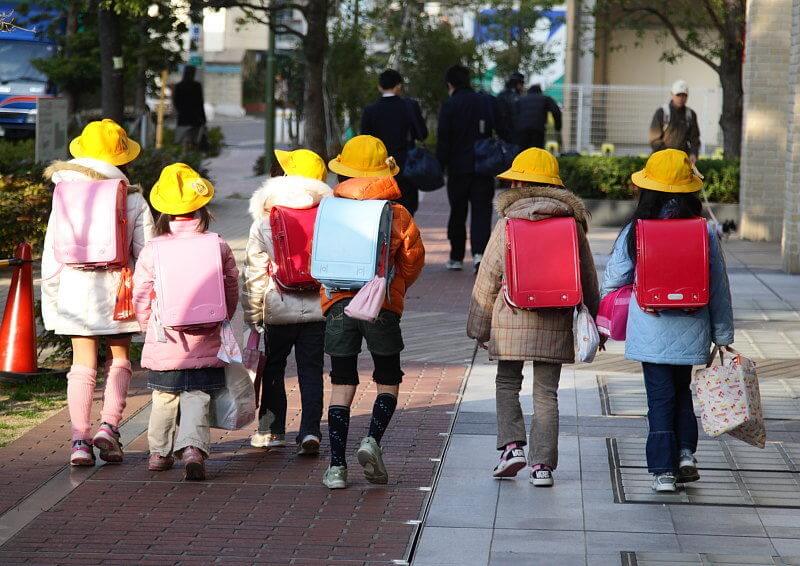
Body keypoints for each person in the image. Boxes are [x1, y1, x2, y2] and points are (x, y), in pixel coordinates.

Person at [601, 149, 734, 493]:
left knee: (660, 397)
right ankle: (686, 453)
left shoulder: (637, 230)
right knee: (682, 391)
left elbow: (615, 277)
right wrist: (722, 333)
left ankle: (663, 470)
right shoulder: (703, 231)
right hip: (693, 327)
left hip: (651, 328)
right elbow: (718, 285)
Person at [467, 148, 599, 487]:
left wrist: (479, 326)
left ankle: (512, 449)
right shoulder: (571, 223)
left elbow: (489, 275)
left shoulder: (508, 223)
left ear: (518, 182)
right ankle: (542, 466)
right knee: (546, 393)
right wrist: (595, 322)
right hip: (555, 318)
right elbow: (586, 276)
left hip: (511, 314)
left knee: (508, 383)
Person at [41, 119, 154, 466]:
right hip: (119, 288)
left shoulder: (64, 194)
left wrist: (53, 295)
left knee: (81, 365)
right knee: (119, 359)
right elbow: (146, 254)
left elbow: (52, 252)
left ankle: (79, 440)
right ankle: (109, 427)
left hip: (75, 288)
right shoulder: (131, 197)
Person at [321, 135, 425, 490]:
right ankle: (372, 440)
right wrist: (394, 290)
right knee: (388, 378)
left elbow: (314, 257)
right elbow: (412, 262)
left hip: (339, 303)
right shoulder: (396, 213)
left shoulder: (330, 208)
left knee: (341, 382)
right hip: (381, 303)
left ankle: (336, 466)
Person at [133, 163, 239, 481]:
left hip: (165, 336)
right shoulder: (217, 244)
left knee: (164, 396)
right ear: (202, 209)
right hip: (206, 334)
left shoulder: (153, 248)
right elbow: (231, 284)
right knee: (197, 394)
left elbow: (140, 292)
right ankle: (192, 448)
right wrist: (225, 315)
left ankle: (159, 452)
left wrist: (144, 323)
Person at [242, 149, 332, 454]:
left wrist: (253, 314)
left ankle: (271, 431)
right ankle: (310, 431)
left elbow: (254, 273)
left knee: (274, 369)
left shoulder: (266, 219)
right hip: (319, 309)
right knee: (311, 370)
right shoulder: (328, 215)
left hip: (277, 307)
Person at [436, 64, 498, 273]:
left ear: (450, 84)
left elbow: (443, 139)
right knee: (481, 210)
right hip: (483, 167)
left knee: (458, 211)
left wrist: (440, 165)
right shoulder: (484, 101)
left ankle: (456, 257)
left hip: (457, 168)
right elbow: (500, 126)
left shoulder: (450, 105)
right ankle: (480, 254)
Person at [360, 69, 428, 216]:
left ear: (379, 87)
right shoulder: (410, 106)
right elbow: (423, 134)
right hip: (406, 167)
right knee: (407, 210)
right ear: (399, 86)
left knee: (381, 211)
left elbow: (364, 141)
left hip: (379, 168)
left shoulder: (370, 111)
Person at [649, 80, 701, 163]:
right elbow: (654, 139)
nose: (681, 98)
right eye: (678, 95)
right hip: (662, 159)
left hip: (682, 160)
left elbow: (695, 138)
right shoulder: (662, 112)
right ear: (672, 95)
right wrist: (668, 156)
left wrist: (693, 153)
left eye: (684, 95)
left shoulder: (690, 114)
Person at [512, 84, 562, 149]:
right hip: (538, 129)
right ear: (540, 91)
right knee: (537, 150)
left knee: (523, 151)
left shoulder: (521, 100)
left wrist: (515, 129)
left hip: (522, 130)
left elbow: (514, 115)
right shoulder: (545, 99)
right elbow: (556, 111)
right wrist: (558, 127)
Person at [173, 65, 207, 149]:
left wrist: (180, 111)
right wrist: (203, 118)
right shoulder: (196, 86)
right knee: (194, 140)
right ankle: (192, 155)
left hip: (182, 118)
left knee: (183, 140)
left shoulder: (179, 86)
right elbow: (200, 103)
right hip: (195, 118)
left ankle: (184, 155)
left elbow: (176, 102)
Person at [496, 72, 524, 141]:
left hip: (502, 133)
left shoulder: (501, 95)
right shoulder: (516, 97)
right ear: (518, 84)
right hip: (514, 134)